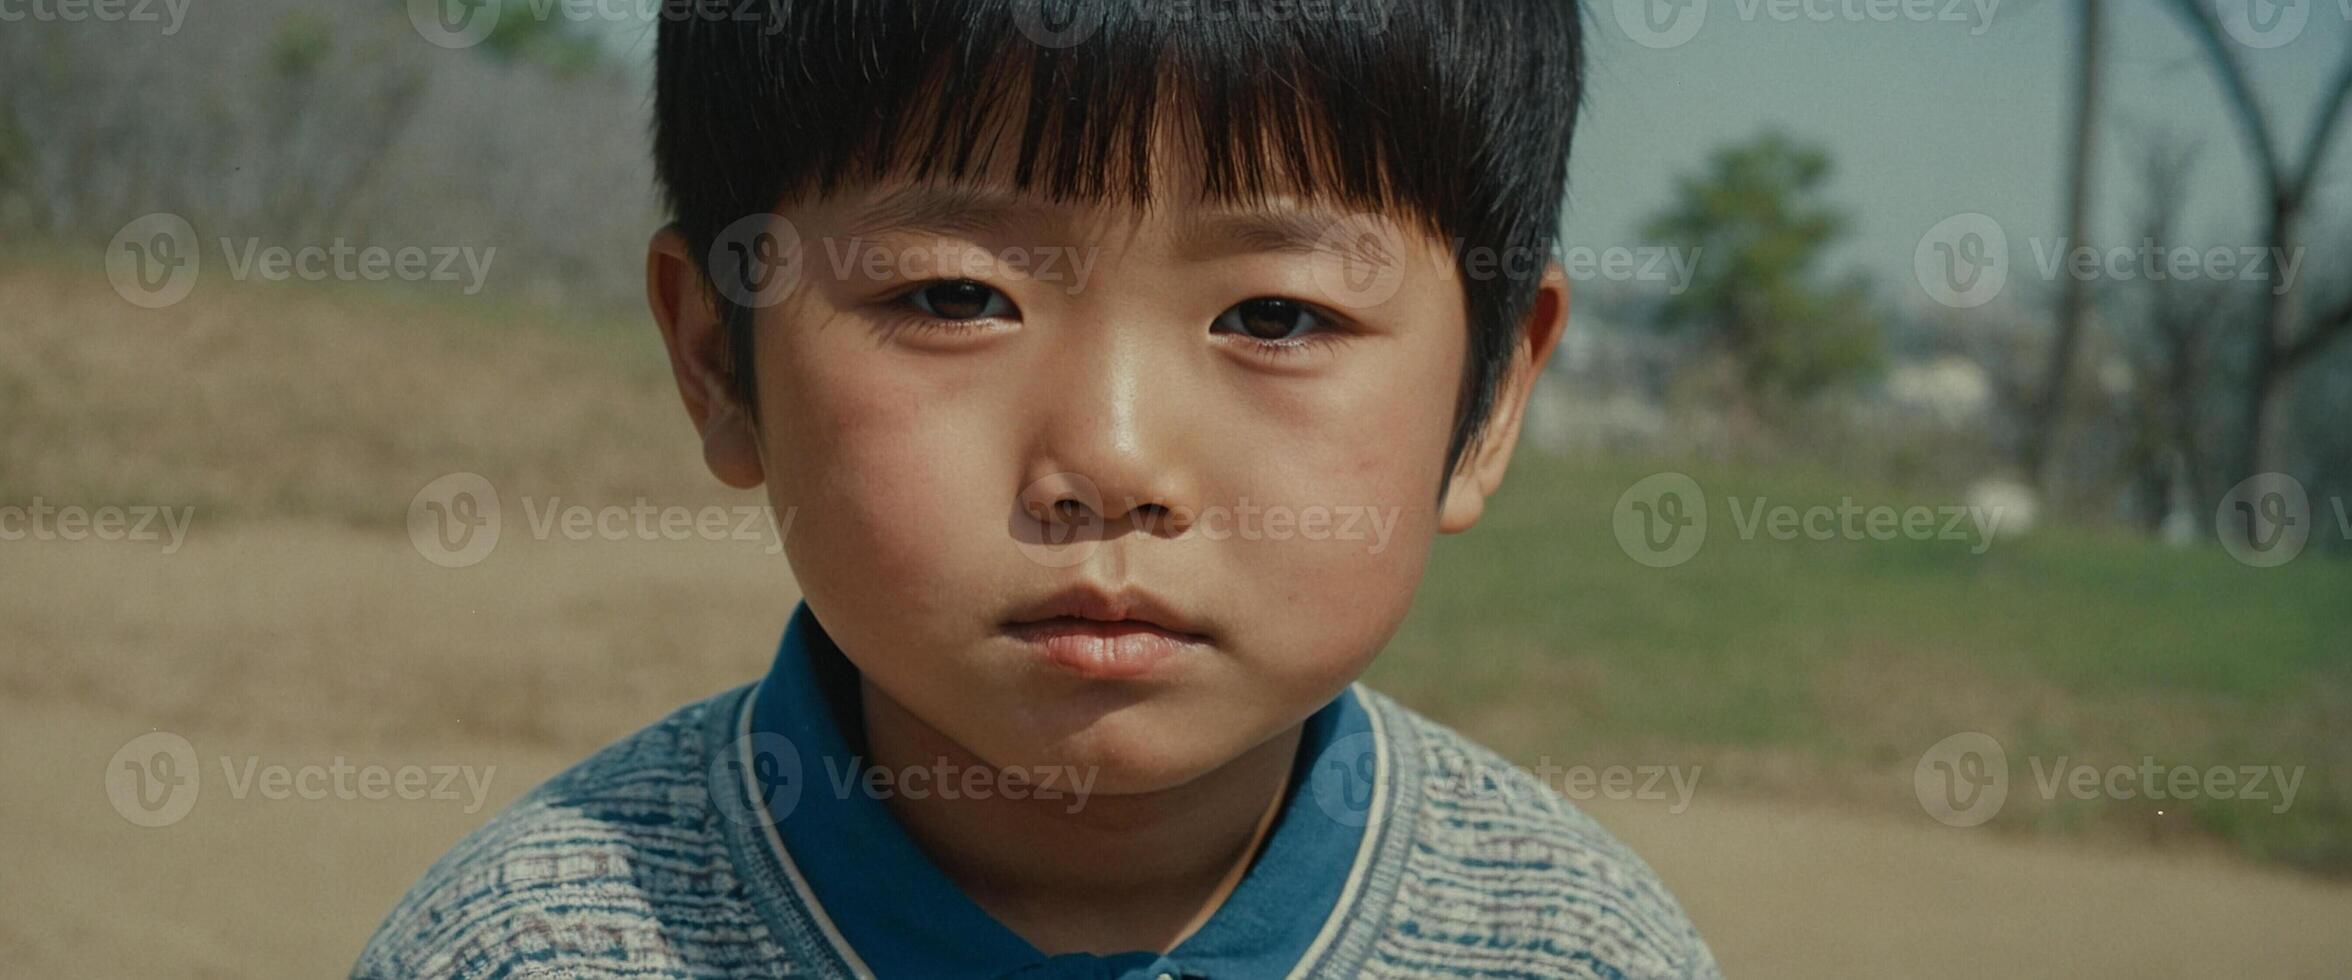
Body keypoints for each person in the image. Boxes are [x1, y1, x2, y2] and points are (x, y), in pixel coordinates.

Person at [359, 1, 1718, 976]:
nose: (1113, 462)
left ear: (1491, 399)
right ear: (718, 357)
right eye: (957, 295)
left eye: (1278, 316)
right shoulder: (534, 948)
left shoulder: (1575, 948)